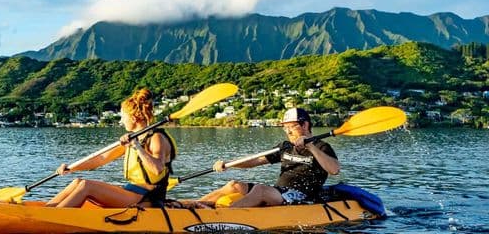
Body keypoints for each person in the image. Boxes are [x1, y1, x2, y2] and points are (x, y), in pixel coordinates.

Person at [45, 88, 176, 208]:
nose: (121, 121)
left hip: (147, 198)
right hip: (131, 191)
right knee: (78, 182)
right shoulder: (132, 139)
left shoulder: (157, 138)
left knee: (87, 186)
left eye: (123, 117)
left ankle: (52, 218)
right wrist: (71, 168)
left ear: (133, 118)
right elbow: (101, 159)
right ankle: (45, 212)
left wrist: (137, 147)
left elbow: (157, 169)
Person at [197, 108, 340, 207]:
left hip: (302, 196)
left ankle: (226, 216)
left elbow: (334, 170)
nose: (287, 131)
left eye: (292, 126)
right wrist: (229, 164)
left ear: (305, 125)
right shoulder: (285, 146)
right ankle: (194, 206)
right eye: (285, 127)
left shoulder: (322, 147)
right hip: (280, 192)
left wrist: (311, 147)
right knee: (234, 185)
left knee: (260, 190)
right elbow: (256, 160)